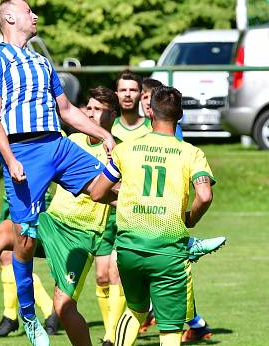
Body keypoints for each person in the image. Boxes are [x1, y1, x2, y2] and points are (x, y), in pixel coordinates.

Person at [0, 0, 116, 345]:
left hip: (57, 143)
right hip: (23, 150)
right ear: (9, 17)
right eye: (27, 11)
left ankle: (173, 232)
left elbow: (66, 109)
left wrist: (102, 133)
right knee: (23, 238)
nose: (35, 15)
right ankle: (27, 314)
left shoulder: (41, 62)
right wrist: (9, 159)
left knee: (113, 190)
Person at [90, 86, 216, 346]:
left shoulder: (126, 150)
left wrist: (123, 201)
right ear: (179, 116)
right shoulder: (191, 153)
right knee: (169, 327)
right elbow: (204, 195)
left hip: (129, 249)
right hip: (168, 251)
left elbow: (97, 193)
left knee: (135, 309)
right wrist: (190, 218)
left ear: (151, 113)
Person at [36, 86, 119, 346]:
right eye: (89, 108)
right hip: (53, 223)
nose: (91, 114)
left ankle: (110, 335)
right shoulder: (71, 142)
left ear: (113, 116)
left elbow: (120, 195)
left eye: (98, 110)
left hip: (81, 235)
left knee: (64, 305)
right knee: (5, 237)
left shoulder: (118, 152)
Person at [0, 99, 60, 337]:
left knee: (18, 256)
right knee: (6, 258)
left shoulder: (16, 131)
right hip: (11, 200)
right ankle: (12, 315)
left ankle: (40, 311)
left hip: (29, 201)